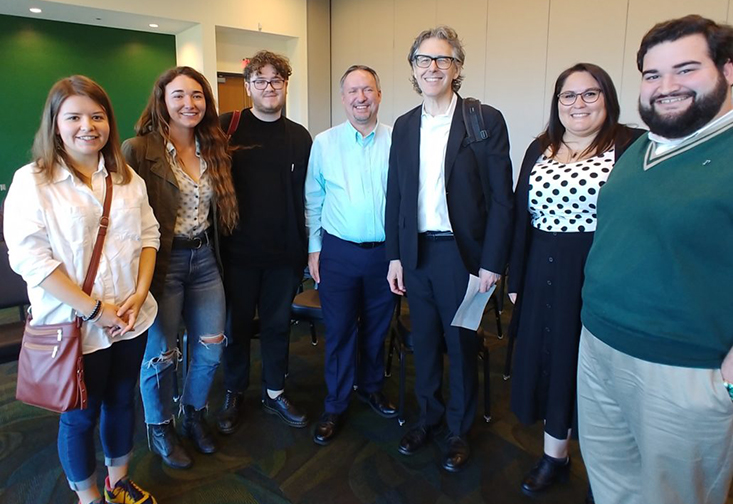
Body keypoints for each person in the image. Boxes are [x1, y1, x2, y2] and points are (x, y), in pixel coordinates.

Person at [578, 15, 733, 504]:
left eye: (686, 70)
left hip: (685, 371)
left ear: (728, 70)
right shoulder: (642, 146)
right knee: (612, 484)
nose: (666, 87)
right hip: (600, 347)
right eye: (652, 75)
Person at [4, 76, 159, 504]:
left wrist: (140, 292)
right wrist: (95, 310)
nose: (87, 126)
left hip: (130, 317)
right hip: (74, 326)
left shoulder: (126, 178)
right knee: (80, 416)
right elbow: (31, 261)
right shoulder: (32, 182)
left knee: (122, 401)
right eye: (73, 117)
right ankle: (87, 496)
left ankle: (118, 482)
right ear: (55, 124)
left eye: (97, 115)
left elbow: (150, 236)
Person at [507, 63, 643, 497]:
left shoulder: (632, 145)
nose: (578, 103)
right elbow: (519, 216)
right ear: (557, 102)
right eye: (568, 95)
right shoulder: (540, 147)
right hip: (541, 270)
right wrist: (515, 275)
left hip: (601, 272)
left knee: (601, 373)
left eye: (590, 94)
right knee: (551, 361)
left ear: (608, 99)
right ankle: (555, 456)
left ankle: (608, 469)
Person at [385, 26, 514, 472]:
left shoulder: (483, 120)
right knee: (423, 341)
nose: (433, 67)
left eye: (443, 60)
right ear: (414, 69)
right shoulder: (403, 126)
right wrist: (395, 256)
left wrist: (492, 263)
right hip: (416, 254)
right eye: (424, 60)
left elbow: (502, 198)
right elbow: (396, 196)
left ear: (457, 68)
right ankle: (429, 416)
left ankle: (459, 430)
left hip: (464, 257)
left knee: (461, 344)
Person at [122, 66, 238, 469]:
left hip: (205, 259)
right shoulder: (137, 149)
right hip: (162, 262)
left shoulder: (213, 145)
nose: (189, 104)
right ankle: (160, 426)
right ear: (162, 101)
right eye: (179, 95)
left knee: (211, 345)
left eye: (197, 96)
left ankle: (193, 414)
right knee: (161, 353)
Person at [217, 50, 312, 433]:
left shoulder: (299, 137)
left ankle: (274, 392)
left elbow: (309, 196)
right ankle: (234, 391)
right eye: (261, 80)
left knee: (277, 326)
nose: (269, 87)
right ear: (248, 86)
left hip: (283, 255)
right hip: (236, 254)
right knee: (236, 327)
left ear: (286, 85)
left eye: (276, 80)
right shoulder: (228, 127)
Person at [305, 65, 397, 445]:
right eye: (353, 91)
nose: (361, 97)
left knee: (377, 328)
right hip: (338, 252)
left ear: (379, 95)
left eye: (368, 90)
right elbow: (314, 198)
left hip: (386, 255)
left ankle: (371, 387)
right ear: (342, 98)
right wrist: (314, 248)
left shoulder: (399, 140)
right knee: (340, 330)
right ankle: (336, 403)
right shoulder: (324, 143)